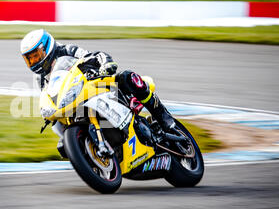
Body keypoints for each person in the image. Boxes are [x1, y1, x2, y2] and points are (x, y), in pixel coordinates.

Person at [20, 29, 176, 156]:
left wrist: (105, 63)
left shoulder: (67, 50)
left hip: (94, 83)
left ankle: (163, 117)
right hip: (73, 99)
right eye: (30, 59)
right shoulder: (39, 78)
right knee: (58, 125)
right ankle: (85, 147)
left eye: (36, 55)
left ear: (47, 47)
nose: (34, 61)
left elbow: (94, 55)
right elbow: (46, 95)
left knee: (128, 77)